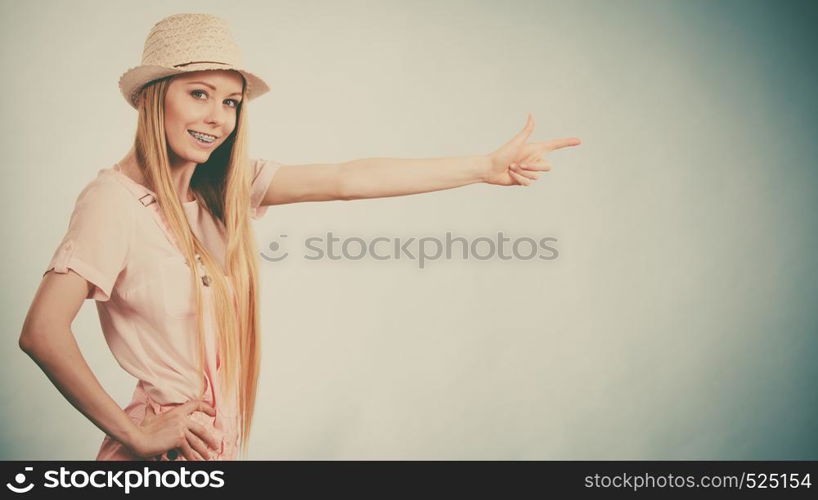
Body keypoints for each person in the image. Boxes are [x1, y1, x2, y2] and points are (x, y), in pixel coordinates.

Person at [18, 13, 581, 461]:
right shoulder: (112, 202)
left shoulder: (220, 192)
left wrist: (484, 167)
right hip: (163, 454)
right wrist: (136, 436)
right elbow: (42, 331)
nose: (217, 116)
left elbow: (346, 180)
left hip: (213, 449)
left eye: (231, 101)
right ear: (153, 97)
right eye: (198, 93)